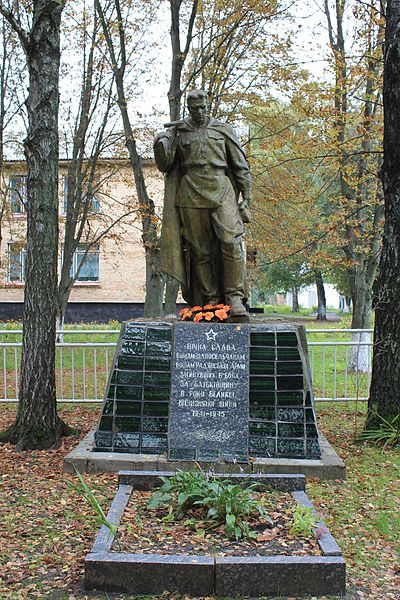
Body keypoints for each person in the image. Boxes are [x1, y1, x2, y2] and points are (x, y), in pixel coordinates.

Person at [154, 89, 252, 318]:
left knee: (231, 242)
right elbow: (165, 165)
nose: (199, 112)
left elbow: (240, 165)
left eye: (203, 107)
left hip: (221, 189)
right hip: (190, 192)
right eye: (194, 108)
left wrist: (246, 199)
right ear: (188, 109)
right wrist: (162, 140)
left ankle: (235, 297)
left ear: (208, 106)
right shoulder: (180, 132)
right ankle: (210, 299)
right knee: (200, 251)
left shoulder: (223, 130)